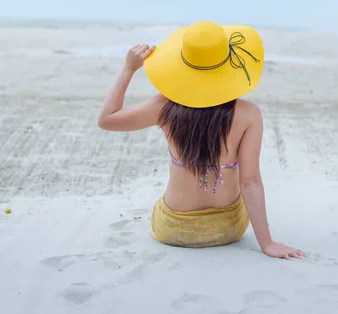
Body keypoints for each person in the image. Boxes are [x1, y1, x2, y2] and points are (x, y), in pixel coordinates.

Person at [98, 21, 304, 259]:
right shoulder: (248, 114)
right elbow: (250, 183)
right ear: (228, 66)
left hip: (173, 228)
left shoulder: (163, 107)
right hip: (228, 229)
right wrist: (267, 244)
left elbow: (106, 120)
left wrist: (128, 69)